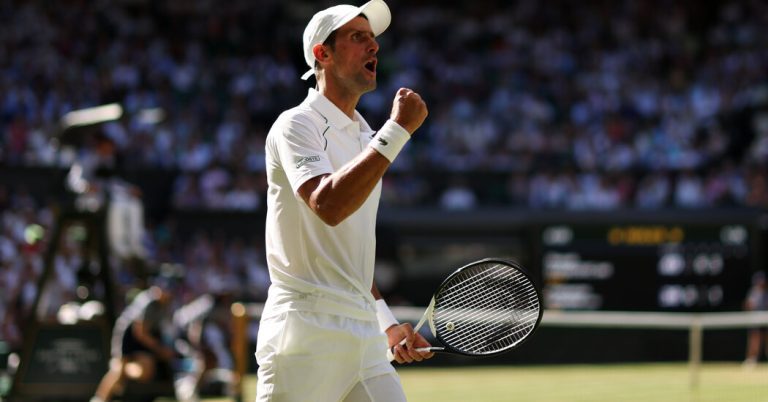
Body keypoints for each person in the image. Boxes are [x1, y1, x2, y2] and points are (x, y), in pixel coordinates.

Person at [257, 1, 433, 400]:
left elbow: (347, 253)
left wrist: (387, 324)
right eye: (358, 38)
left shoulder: (366, 136)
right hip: (306, 330)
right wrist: (398, 131)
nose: (373, 47)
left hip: (363, 335)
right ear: (323, 53)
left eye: (373, 40)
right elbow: (329, 206)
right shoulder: (295, 124)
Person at [90, 279, 177, 402]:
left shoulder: (162, 305)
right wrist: (160, 349)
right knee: (118, 371)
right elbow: (139, 331)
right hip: (127, 334)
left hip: (141, 337)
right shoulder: (149, 301)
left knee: (146, 370)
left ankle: (123, 371)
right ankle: (99, 399)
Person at [743, 271, 768, 368]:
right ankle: (751, 360)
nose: (761, 283)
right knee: (755, 339)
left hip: (766, 320)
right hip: (755, 320)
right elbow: (748, 305)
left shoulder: (766, 293)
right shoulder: (753, 293)